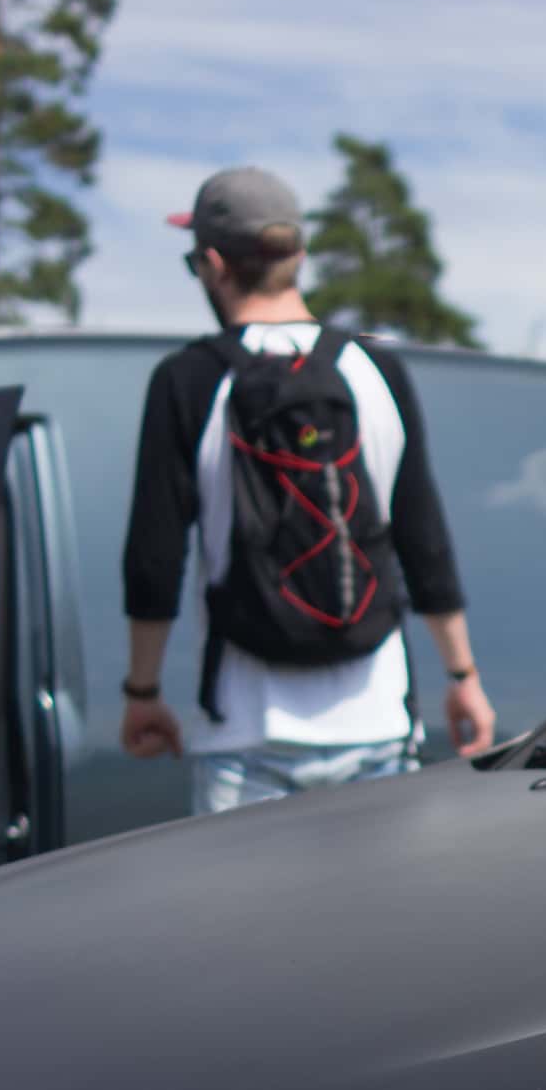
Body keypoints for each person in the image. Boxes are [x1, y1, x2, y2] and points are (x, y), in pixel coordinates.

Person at [119, 166, 497, 811]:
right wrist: (462, 676)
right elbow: (422, 537)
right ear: (297, 256)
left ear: (213, 263)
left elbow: (155, 555)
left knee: (243, 918)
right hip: (377, 723)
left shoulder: (187, 380)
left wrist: (143, 694)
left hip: (245, 730)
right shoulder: (377, 370)